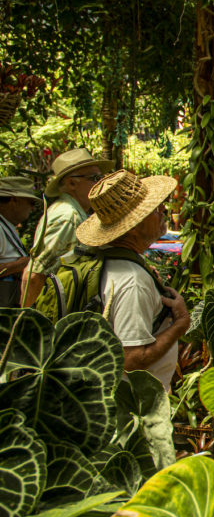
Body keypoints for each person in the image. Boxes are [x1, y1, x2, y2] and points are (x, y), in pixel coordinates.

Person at [75, 170, 190, 391]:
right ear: (135, 226)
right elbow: (132, 359)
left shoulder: (107, 260)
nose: (163, 212)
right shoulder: (132, 281)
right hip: (131, 411)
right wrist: (181, 324)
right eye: (156, 209)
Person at [21, 148, 113, 306]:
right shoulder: (68, 218)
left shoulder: (74, 212)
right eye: (95, 178)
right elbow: (35, 275)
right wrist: (26, 321)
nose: (100, 183)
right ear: (71, 183)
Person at [0, 176, 40, 307]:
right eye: (31, 203)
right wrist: (19, 265)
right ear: (14, 200)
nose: (33, 209)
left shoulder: (6, 225)